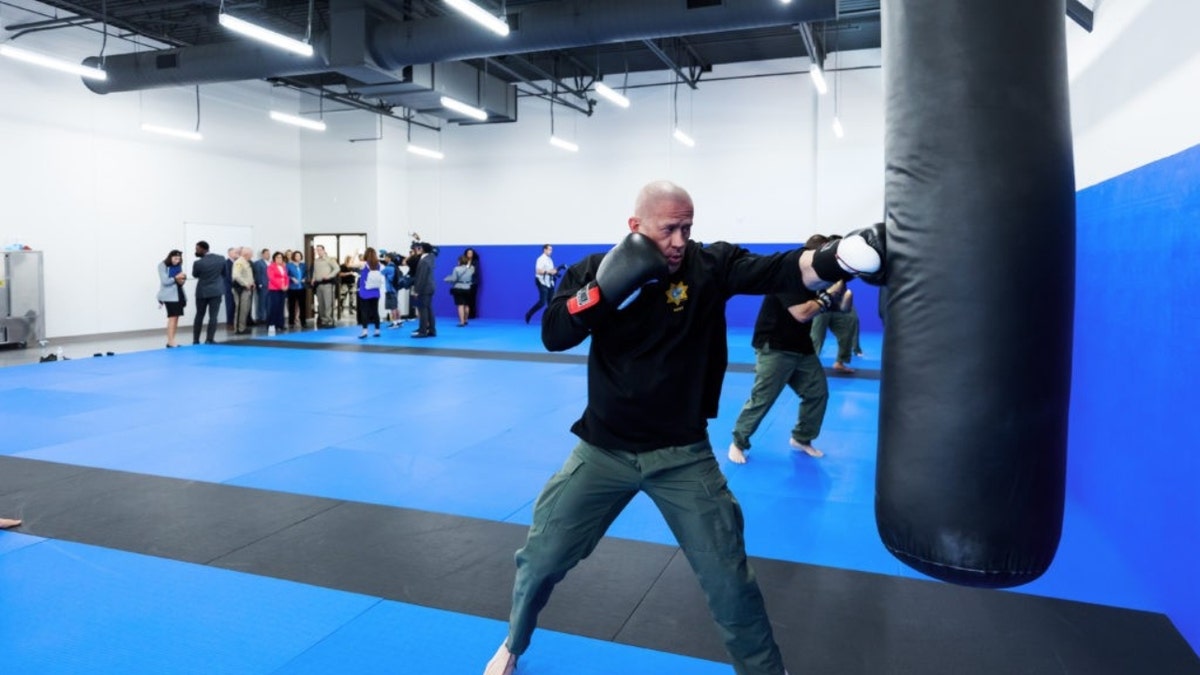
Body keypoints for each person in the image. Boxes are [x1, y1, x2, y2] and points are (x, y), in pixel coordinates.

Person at [483, 181, 883, 675]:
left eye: (687, 227)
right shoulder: (592, 270)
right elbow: (553, 334)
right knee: (540, 558)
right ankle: (513, 644)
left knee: (730, 582)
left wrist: (838, 257)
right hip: (601, 452)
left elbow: (782, 267)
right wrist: (605, 291)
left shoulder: (708, 265)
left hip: (683, 455)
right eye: (668, 229)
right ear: (636, 227)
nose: (679, 240)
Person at [727, 269, 844, 463]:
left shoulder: (818, 286)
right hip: (775, 346)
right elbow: (802, 313)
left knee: (817, 393)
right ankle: (738, 443)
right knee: (763, 398)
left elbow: (839, 308)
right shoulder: (787, 278)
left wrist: (839, 292)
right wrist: (829, 296)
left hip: (801, 347)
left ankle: (802, 438)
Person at [191, 241, 226, 345]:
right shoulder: (221, 258)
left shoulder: (198, 263)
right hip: (216, 291)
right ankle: (209, 339)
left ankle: (196, 340)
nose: (196, 251)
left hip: (202, 292)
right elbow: (225, 273)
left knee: (199, 315)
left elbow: (195, 275)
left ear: (203, 249)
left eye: (197, 249)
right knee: (213, 316)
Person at [157, 249, 187, 348]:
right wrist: (176, 278)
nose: (177, 261)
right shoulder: (162, 265)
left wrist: (182, 279)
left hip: (179, 294)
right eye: (175, 258)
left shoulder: (178, 266)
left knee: (176, 317)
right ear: (170, 257)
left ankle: (172, 340)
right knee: (172, 317)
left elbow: (180, 281)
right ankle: (170, 341)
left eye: (179, 259)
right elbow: (165, 281)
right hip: (169, 296)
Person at [523, 244, 557, 324]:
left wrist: (555, 271)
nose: (550, 251)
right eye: (549, 249)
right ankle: (529, 314)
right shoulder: (540, 259)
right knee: (542, 302)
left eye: (551, 250)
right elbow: (538, 271)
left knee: (551, 302)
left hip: (549, 282)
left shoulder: (550, 260)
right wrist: (548, 272)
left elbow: (551, 270)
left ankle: (551, 320)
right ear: (544, 250)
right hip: (541, 281)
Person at [410, 242, 437, 338]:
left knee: (423, 310)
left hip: (424, 288)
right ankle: (432, 330)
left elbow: (422, 277)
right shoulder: (430, 258)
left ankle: (423, 331)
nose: (417, 249)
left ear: (422, 249)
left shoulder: (424, 261)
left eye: (418, 248)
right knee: (429, 309)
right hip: (429, 287)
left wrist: (417, 290)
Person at [356, 247, 384, 338]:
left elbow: (349, 264)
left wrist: (355, 253)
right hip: (375, 291)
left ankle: (364, 331)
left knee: (364, 312)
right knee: (375, 311)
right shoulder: (378, 264)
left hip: (365, 292)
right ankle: (377, 330)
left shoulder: (364, 264)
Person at [311, 244, 340, 328]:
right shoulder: (316, 261)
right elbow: (314, 271)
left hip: (328, 284)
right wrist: (313, 278)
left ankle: (329, 320)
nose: (318, 251)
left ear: (324, 250)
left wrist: (330, 276)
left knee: (328, 303)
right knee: (321, 304)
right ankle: (323, 320)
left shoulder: (330, 259)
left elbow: (337, 268)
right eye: (317, 250)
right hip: (318, 284)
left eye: (320, 250)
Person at [445, 254, 476, 327]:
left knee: (460, 305)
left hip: (458, 288)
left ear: (459, 261)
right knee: (467, 305)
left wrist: (447, 279)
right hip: (468, 287)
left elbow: (454, 279)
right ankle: (466, 320)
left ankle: (461, 322)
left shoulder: (456, 269)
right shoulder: (471, 268)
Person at [232, 247, 255, 335]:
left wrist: (252, 283)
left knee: (245, 309)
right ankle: (238, 329)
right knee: (240, 309)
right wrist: (246, 284)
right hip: (240, 289)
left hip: (247, 289)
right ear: (246, 254)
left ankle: (243, 327)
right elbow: (236, 276)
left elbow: (247, 275)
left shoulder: (246, 262)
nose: (252, 256)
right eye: (251, 254)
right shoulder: (239, 262)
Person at [266, 251, 289, 335]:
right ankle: (272, 324)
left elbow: (286, 277)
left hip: (283, 289)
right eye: (278, 257)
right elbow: (272, 278)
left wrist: (286, 286)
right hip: (274, 289)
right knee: (274, 307)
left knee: (281, 307)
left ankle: (280, 324)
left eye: (281, 258)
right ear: (274, 259)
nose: (279, 259)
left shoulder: (283, 267)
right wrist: (281, 286)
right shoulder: (271, 267)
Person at [286, 250, 308, 329]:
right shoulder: (289, 265)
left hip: (301, 288)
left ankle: (303, 322)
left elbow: (306, 274)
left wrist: (305, 279)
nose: (298, 257)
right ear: (293, 257)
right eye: (296, 256)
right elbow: (286, 275)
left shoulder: (303, 265)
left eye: (299, 256)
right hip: (292, 288)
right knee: (291, 306)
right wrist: (292, 278)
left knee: (302, 306)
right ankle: (291, 322)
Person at [464, 247, 481, 319]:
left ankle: (472, 314)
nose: (469, 254)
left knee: (472, 299)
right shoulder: (463, 261)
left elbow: (475, 272)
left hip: (473, 282)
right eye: (468, 253)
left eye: (471, 253)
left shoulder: (476, 261)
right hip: (464, 282)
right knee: (465, 299)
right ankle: (465, 314)